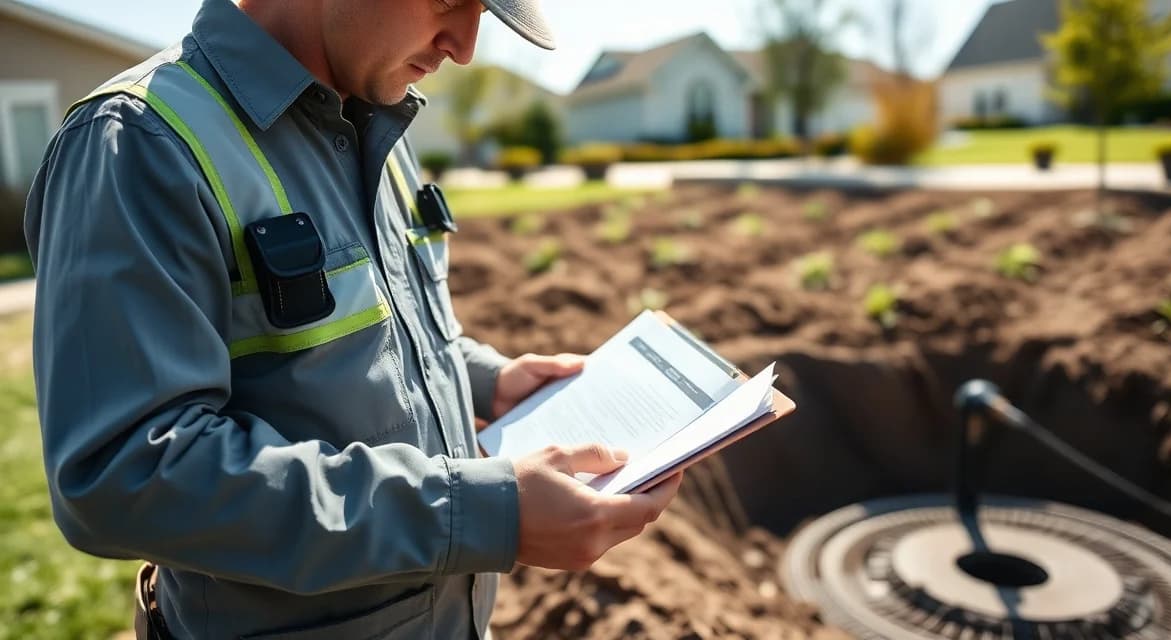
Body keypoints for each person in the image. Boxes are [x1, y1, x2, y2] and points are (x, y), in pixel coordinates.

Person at [23, 0, 682, 638]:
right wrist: (480, 513)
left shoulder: (379, 121)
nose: (465, 46)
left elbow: (374, 328)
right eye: (450, 0)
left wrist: (489, 381)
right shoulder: (139, 143)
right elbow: (123, 473)